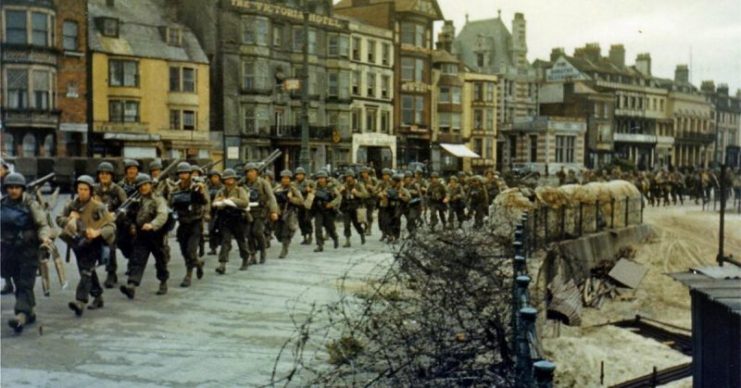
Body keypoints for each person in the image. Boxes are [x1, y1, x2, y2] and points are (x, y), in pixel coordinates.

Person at [57, 175, 116, 317]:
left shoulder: (98, 207)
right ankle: (98, 296)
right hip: (78, 243)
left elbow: (111, 226)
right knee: (86, 270)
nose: (82, 192)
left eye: (85, 189)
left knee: (86, 271)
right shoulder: (72, 205)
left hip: (94, 243)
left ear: (91, 191)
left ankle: (80, 301)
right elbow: (59, 219)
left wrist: (97, 232)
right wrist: (71, 219)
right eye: (80, 189)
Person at [1, 173, 52, 333]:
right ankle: (29, 312)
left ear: (22, 189)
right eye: (10, 187)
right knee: (17, 280)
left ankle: (20, 315)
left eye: (17, 187)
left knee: (25, 282)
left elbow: (43, 224)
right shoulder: (2, 204)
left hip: (28, 249)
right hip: (8, 250)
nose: (13, 191)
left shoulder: (31, 204)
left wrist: (45, 238)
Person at [119, 174, 170, 299]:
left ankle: (163, 282)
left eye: (146, 185)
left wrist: (152, 225)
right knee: (137, 258)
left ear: (150, 185)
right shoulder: (136, 200)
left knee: (160, 260)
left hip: (156, 234)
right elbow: (129, 215)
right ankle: (132, 285)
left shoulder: (158, 199)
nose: (143, 188)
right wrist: (131, 225)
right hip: (141, 234)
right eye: (140, 186)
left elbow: (163, 215)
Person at [169, 162, 209, 287]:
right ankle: (198, 263)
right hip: (182, 223)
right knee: (184, 252)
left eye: (185, 173)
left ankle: (188, 276)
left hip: (195, 222)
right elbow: (170, 204)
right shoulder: (175, 188)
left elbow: (204, 201)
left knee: (191, 251)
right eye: (181, 173)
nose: (183, 175)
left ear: (190, 174)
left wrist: (199, 191)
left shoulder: (197, 186)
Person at [94, 161, 128, 289]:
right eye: (101, 174)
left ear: (112, 176)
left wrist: (115, 215)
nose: (104, 176)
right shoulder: (94, 189)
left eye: (107, 174)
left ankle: (111, 272)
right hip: (97, 223)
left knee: (111, 245)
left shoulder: (117, 190)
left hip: (115, 224)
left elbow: (126, 207)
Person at [213, 169, 251, 273]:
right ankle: (222, 264)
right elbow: (215, 203)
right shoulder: (221, 191)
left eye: (231, 178)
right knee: (225, 241)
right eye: (227, 179)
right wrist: (220, 203)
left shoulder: (240, 190)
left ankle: (245, 259)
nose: (229, 181)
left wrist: (231, 200)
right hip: (225, 218)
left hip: (238, 218)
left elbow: (245, 203)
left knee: (241, 240)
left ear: (234, 179)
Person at [242, 163, 279, 264]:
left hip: (260, 211)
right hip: (248, 211)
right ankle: (253, 255)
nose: (250, 173)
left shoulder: (263, 183)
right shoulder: (244, 184)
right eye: (248, 172)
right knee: (249, 234)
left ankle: (263, 251)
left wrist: (273, 211)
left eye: (252, 171)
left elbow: (271, 197)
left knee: (257, 232)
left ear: (257, 172)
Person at [307, 170, 341, 252]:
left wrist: (331, 204)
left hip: (328, 211)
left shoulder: (331, 187)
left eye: (322, 178)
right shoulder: (315, 188)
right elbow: (309, 200)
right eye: (319, 178)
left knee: (330, 228)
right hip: (319, 210)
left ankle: (335, 237)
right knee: (318, 227)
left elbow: (339, 197)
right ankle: (320, 245)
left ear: (326, 179)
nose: (321, 180)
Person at [273, 170, 304, 258]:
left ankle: (284, 249)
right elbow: (271, 197)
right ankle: (285, 241)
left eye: (287, 178)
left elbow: (301, 201)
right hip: (279, 211)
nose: (285, 180)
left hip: (290, 212)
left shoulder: (293, 189)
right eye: (283, 178)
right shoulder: (277, 188)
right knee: (277, 233)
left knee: (285, 232)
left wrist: (291, 198)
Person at [339, 169, 368, 247]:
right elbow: (339, 195)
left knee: (357, 224)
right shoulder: (344, 185)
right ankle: (347, 240)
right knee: (346, 224)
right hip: (347, 207)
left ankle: (361, 234)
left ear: (353, 177)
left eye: (350, 176)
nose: (348, 178)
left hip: (356, 207)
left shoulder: (358, 185)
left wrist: (356, 193)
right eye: (347, 177)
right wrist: (341, 192)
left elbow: (365, 194)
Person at [294, 167, 314, 245]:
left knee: (307, 220)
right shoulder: (295, 183)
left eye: (300, 174)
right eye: (297, 174)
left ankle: (310, 236)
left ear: (303, 175)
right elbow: (296, 190)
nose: (298, 176)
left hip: (307, 204)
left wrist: (309, 190)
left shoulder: (308, 182)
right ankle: (304, 236)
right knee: (301, 221)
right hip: (299, 204)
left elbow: (314, 189)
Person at [206, 170, 223, 255]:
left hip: (221, 211)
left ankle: (224, 246)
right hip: (211, 211)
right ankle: (213, 248)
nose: (214, 179)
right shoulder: (207, 187)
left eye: (216, 177)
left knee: (222, 230)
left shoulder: (222, 187)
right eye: (213, 177)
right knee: (211, 229)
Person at [358, 167, 378, 236]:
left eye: (365, 172)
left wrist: (371, 187)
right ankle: (366, 226)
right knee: (362, 216)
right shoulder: (360, 180)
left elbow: (378, 189)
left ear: (368, 173)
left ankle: (369, 229)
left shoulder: (373, 180)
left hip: (371, 199)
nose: (364, 174)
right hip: (363, 199)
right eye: (363, 173)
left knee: (369, 215)